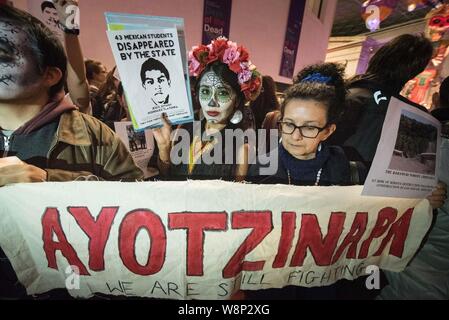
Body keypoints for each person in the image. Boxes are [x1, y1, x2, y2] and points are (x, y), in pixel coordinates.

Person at [0, 4, 143, 298]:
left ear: (50, 75)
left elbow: (139, 218)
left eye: (3, 53)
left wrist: (49, 182)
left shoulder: (95, 136)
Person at [247, 63, 366, 299]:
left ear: (328, 130)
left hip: (320, 287)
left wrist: (424, 202)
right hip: (267, 288)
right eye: (289, 124)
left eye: (310, 127)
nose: (295, 136)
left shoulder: (351, 173)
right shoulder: (259, 168)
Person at [327, 33, 447, 208]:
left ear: (378, 57)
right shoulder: (416, 117)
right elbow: (413, 184)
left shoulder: (330, 98)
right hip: (374, 214)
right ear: (414, 72)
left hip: (323, 203)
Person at [153, 37, 261, 182]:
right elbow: (167, 180)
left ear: (237, 101)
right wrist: (164, 148)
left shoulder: (242, 149)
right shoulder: (183, 130)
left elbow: (236, 201)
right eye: (205, 92)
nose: (212, 102)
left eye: (222, 93)